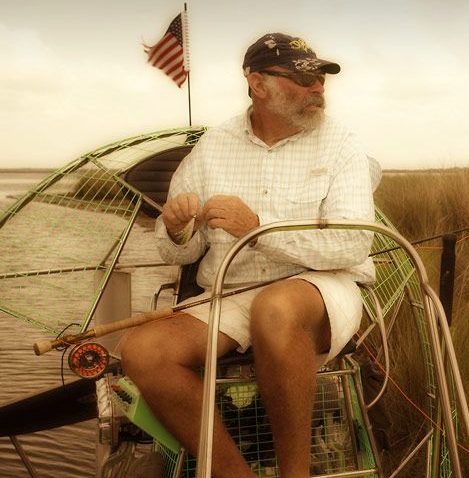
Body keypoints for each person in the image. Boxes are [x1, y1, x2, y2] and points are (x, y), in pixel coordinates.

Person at [121, 32, 377, 478]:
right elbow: (181, 251)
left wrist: (257, 230)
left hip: (321, 287)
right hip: (232, 292)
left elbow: (353, 243)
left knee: (275, 308)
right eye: (304, 78)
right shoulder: (213, 146)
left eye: (321, 78)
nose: (318, 88)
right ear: (258, 84)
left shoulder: (342, 145)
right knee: (142, 351)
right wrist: (178, 229)